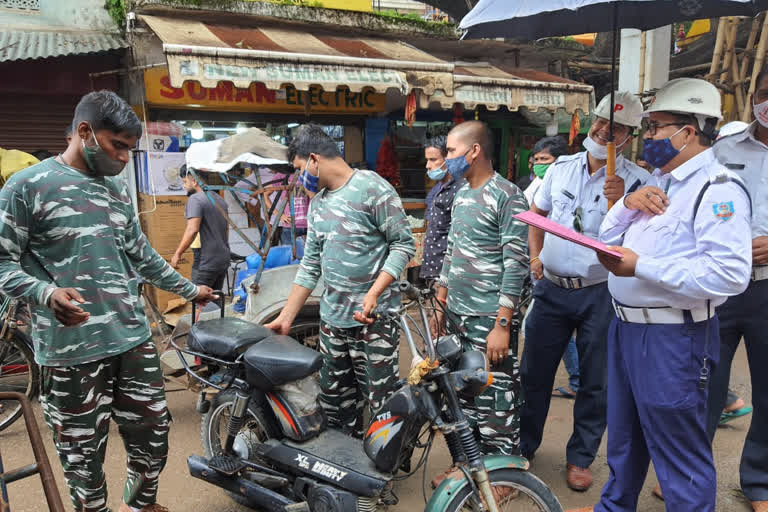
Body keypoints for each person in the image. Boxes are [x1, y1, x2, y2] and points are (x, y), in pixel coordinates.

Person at [0, 90, 217, 512]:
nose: (123, 157)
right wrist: (46, 293)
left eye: (129, 149)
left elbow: (142, 255)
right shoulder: (26, 187)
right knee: (83, 462)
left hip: (132, 341)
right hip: (71, 355)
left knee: (154, 439)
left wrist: (191, 290)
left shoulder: (117, 189)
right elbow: (2, 263)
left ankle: (137, 506)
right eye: (117, 145)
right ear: (85, 133)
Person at [566, 78, 752, 512]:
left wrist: (640, 266)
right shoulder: (658, 181)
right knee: (625, 441)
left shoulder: (717, 188)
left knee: (679, 455)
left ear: (688, 132)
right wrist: (628, 203)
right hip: (627, 329)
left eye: (655, 128)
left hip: (674, 339)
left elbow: (729, 274)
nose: (647, 138)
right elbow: (606, 236)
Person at [521, 91, 649, 492]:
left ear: (630, 136)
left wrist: (622, 204)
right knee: (533, 373)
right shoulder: (559, 169)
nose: (604, 131)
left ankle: (580, 457)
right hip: (552, 289)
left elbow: (641, 246)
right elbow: (538, 216)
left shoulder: (639, 183)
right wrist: (535, 258)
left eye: (617, 128)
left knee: (596, 380)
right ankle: (523, 446)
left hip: (600, 293)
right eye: (600, 122)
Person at [265, 124, 414, 437]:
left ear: (315, 160)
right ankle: (346, 472)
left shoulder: (373, 189)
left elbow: (403, 244)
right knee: (335, 405)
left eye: (298, 168)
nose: (298, 177)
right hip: (333, 323)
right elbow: (310, 265)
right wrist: (286, 318)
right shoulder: (318, 204)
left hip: (374, 324)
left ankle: (384, 477)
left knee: (382, 405)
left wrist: (374, 292)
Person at [431, 121, 529, 465]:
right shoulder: (461, 194)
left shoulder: (508, 195)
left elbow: (516, 263)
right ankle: (470, 467)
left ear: (475, 151)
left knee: (495, 395)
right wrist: (441, 303)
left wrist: (502, 324)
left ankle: (503, 471)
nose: (447, 159)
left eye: (452, 151)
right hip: (457, 315)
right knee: (462, 394)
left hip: (489, 317)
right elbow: (452, 251)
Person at [705, 69, 768, 512]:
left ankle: (759, 482)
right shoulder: (722, 152)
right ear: (753, 96)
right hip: (721, 289)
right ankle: (688, 473)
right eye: (766, 94)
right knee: (705, 386)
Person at [171, 165, 230, 291]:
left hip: (206, 260)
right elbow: (226, 230)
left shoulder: (195, 199)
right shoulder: (220, 199)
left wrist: (178, 254)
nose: (184, 186)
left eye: (185, 181)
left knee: (199, 300)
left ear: (194, 181)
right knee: (215, 297)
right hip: (222, 259)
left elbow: (192, 230)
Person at [420, 135, 465, 284]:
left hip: (447, 270)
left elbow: (460, 236)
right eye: (427, 160)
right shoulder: (438, 188)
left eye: (433, 160)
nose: (428, 165)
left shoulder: (460, 190)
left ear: (450, 159)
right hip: (433, 264)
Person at [524, 135, 569, 204]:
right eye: (536, 159)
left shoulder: (569, 182)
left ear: (559, 160)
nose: (539, 163)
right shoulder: (538, 180)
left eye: (544, 159)